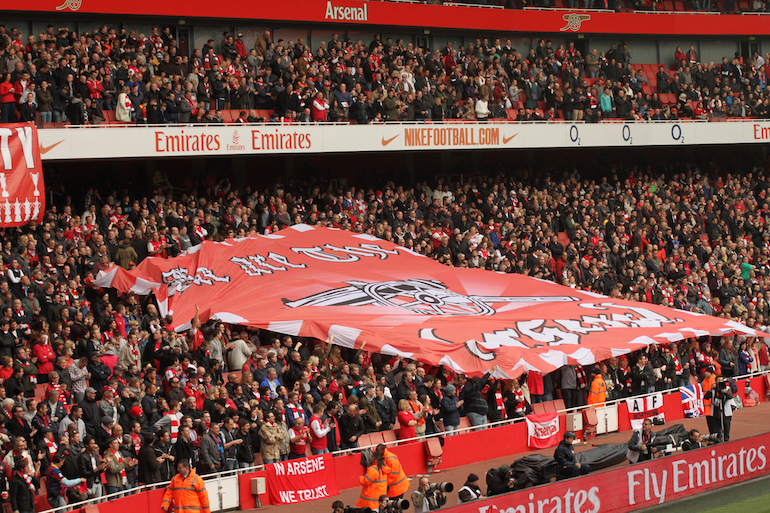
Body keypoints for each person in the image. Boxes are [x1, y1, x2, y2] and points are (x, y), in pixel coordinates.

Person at [704, 375, 734, 442]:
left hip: (725, 413)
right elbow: (706, 397)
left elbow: (730, 396)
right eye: (718, 381)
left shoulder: (727, 388)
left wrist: (725, 392)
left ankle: (726, 441)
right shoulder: (714, 390)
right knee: (716, 430)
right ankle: (717, 440)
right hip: (716, 413)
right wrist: (711, 389)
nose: (720, 382)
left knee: (726, 429)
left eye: (721, 381)